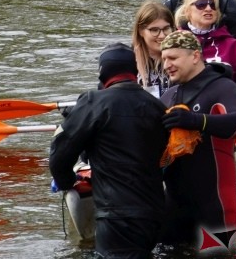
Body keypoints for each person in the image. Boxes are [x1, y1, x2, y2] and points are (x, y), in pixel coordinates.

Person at [48, 43, 168, 259]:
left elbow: (60, 152)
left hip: (116, 216)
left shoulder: (93, 102)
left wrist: (66, 181)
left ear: (103, 72)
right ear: (134, 70)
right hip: (155, 212)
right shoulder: (156, 106)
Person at [158, 30, 236, 251]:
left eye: (172, 58)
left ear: (194, 56)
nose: (166, 65)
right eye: (163, 59)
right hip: (175, 207)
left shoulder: (222, 87)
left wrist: (197, 121)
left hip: (216, 205)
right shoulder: (169, 96)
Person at [162, 0, 236, 49]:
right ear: (187, 10)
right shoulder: (172, 42)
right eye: (201, 4)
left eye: (213, 5)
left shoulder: (233, 45)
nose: (208, 9)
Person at [131, 0, 175, 97]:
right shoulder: (128, 60)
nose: (162, 35)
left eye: (166, 28)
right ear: (140, 31)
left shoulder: (182, 60)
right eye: (154, 30)